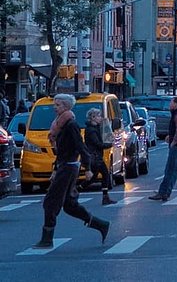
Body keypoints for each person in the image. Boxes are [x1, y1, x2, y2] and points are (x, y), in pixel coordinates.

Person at [33, 94, 110, 248]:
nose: (55, 108)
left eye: (58, 105)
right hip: (64, 165)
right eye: (55, 105)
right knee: (69, 205)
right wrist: (55, 167)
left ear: (67, 107)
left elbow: (81, 147)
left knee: (50, 202)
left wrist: (87, 168)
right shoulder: (59, 124)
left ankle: (47, 239)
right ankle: (100, 224)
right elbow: (62, 150)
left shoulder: (70, 124)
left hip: (69, 167)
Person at [84, 109, 115, 205]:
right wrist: (109, 145)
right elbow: (97, 144)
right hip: (95, 157)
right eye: (98, 116)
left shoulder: (95, 128)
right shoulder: (91, 130)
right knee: (104, 174)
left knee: (94, 177)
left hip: (95, 156)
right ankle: (105, 197)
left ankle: (75, 190)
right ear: (93, 117)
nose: (100, 118)